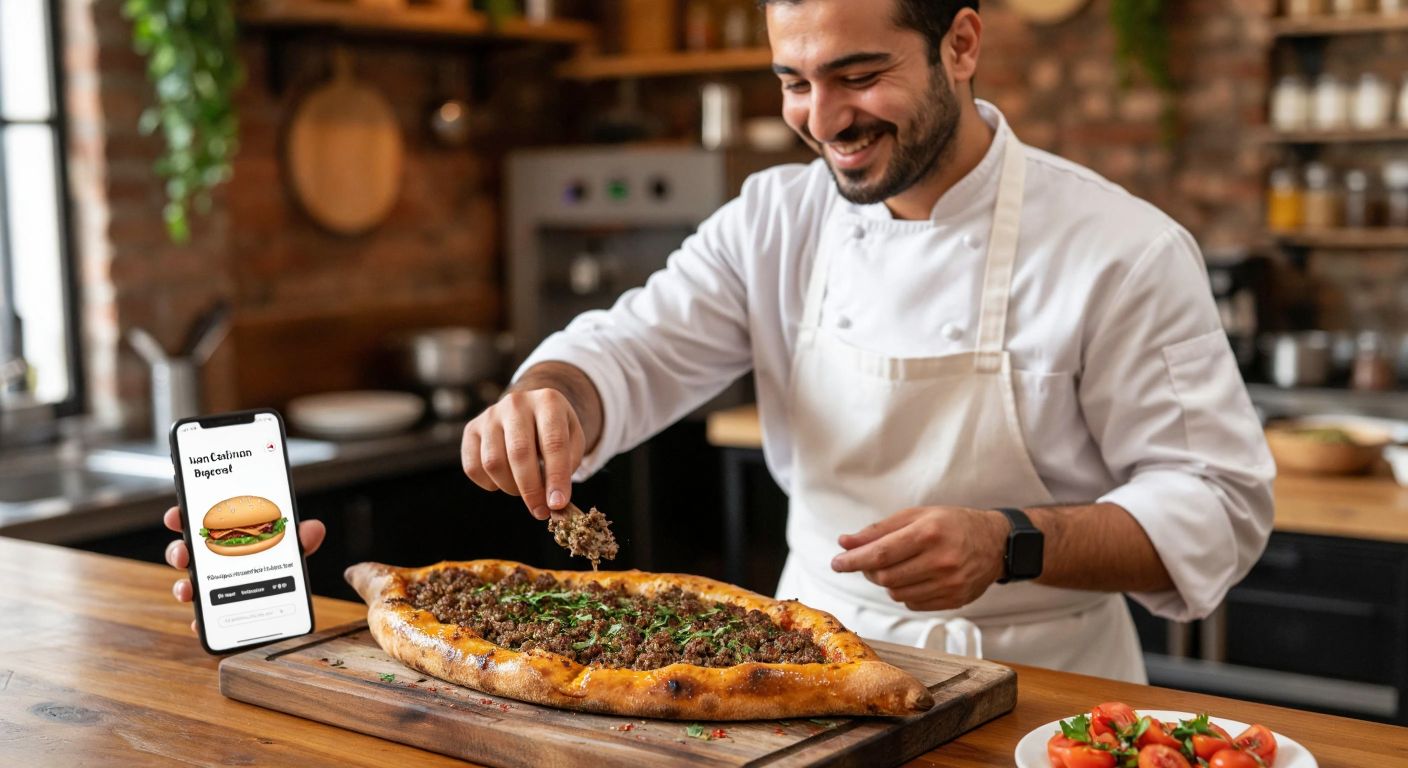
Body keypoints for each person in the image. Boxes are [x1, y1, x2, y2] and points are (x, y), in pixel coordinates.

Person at [164, 0, 1273, 683]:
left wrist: (1010, 540)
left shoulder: (1124, 249)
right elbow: (630, 348)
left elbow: (1218, 503)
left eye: (858, 74)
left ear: (962, 44)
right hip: (797, 667)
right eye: (794, 81)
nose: (824, 119)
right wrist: (552, 392)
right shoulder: (774, 220)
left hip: (1039, 684)